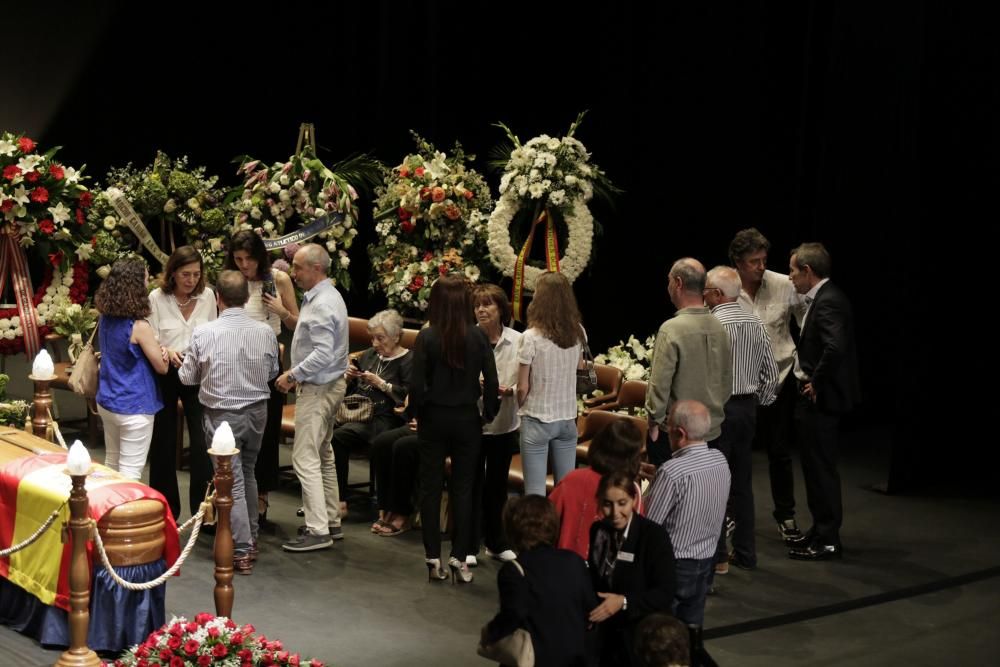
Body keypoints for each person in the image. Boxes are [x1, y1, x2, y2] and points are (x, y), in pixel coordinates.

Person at [178, 270, 279, 574]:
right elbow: (273, 371)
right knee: (246, 473)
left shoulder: (204, 333)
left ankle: (243, 549)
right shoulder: (264, 332)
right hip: (258, 412)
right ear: (247, 298)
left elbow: (187, 377)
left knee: (230, 483)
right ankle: (251, 538)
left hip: (222, 416)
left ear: (218, 298)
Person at [408, 275, 499, 583]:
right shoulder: (478, 336)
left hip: (433, 418)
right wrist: (488, 414)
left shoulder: (428, 336)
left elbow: (416, 384)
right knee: (463, 489)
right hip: (466, 421)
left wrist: (413, 413)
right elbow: (493, 382)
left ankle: (433, 557)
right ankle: (461, 558)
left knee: (431, 487)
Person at [728, 228, 805, 541]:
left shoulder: (783, 285)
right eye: (753, 261)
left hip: (780, 377)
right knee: (734, 452)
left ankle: (785, 515)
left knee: (779, 450)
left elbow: (806, 322)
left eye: (763, 260)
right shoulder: (724, 287)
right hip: (740, 381)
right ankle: (730, 515)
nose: (760, 266)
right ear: (737, 263)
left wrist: (805, 370)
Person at [786, 243, 860, 561]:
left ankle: (828, 538)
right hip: (816, 398)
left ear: (807, 271)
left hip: (822, 399)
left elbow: (835, 346)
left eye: (792, 270)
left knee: (821, 469)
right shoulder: (823, 299)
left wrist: (816, 381)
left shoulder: (829, 302)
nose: (790, 277)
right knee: (814, 468)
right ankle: (819, 530)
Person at [275, 244, 349, 552]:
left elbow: (322, 353)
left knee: (304, 456)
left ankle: (318, 529)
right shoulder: (327, 296)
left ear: (316, 269)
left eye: (299, 268)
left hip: (318, 389)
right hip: (331, 385)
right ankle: (330, 519)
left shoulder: (321, 304)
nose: (294, 273)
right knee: (322, 454)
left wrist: (292, 375)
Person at [704, 266, 779, 572]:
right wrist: (757, 402)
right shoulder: (756, 323)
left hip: (719, 409)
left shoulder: (711, 325)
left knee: (715, 483)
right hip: (747, 410)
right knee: (742, 485)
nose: (704, 296)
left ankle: (719, 556)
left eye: (707, 291)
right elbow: (770, 376)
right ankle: (746, 553)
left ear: (718, 294)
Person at [223, 230, 299, 525]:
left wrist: (281, 310)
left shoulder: (277, 280)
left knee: (265, 436)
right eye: (238, 259)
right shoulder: (230, 280)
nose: (244, 265)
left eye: (249, 259)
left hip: (267, 366)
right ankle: (233, 497)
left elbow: (297, 322)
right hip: (234, 364)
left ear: (260, 257)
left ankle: (262, 498)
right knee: (234, 432)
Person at [482, 495, 597, 667]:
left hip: (536, 658)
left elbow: (513, 613)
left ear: (512, 530)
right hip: (575, 658)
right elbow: (591, 608)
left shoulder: (513, 570)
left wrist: (491, 632)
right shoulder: (574, 561)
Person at [645, 401, 730, 628]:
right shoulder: (720, 461)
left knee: (662, 631)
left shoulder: (672, 472)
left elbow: (650, 526)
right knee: (691, 630)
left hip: (675, 565)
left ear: (680, 433)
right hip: (706, 560)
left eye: (668, 426)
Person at [147, 246, 217, 520]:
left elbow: (213, 332)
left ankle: (202, 511)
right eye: (185, 274)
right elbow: (149, 336)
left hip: (198, 371)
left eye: (196, 275)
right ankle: (165, 509)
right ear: (173, 273)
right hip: (166, 370)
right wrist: (165, 348)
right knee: (163, 440)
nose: (191, 280)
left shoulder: (208, 296)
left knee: (202, 440)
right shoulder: (157, 297)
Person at [645, 259, 732, 466]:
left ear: (678, 283)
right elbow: (727, 380)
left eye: (668, 281)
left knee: (668, 493)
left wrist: (653, 421)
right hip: (711, 431)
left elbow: (660, 383)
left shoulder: (672, 329)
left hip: (676, 434)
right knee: (702, 492)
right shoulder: (719, 327)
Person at [589, 471, 676, 666]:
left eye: (622, 503)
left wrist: (624, 601)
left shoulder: (654, 536)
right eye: (607, 504)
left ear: (634, 500)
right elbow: (596, 576)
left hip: (643, 635)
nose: (614, 513)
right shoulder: (598, 530)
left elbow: (665, 592)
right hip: (608, 634)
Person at [332, 309, 412, 520]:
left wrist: (382, 384)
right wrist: (348, 378)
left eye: (380, 338)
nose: (375, 343)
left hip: (383, 418)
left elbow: (409, 396)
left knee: (338, 438)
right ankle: (323, 497)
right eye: (373, 338)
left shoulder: (408, 360)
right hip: (355, 413)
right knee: (322, 429)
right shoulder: (368, 355)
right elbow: (351, 391)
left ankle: (339, 500)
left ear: (396, 337)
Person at [94, 257, 169, 479]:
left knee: (111, 464)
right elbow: (162, 368)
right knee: (130, 474)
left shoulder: (105, 318)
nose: (149, 284)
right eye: (146, 279)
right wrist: (163, 352)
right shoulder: (140, 327)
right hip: (135, 405)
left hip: (108, 400)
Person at [516, 271, 585, 496]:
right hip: (567, 419)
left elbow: (523, 387)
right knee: (565, 492)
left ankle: (537, 532)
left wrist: (519, 406)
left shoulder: (530, 337)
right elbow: (578, 367)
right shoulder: (579, 332)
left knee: (535, 493)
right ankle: (563, 531)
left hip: (537, 418)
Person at [470, 283, 521, 563]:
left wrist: (510, 389)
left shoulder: (519, 340)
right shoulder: (469, 338)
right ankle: (468, 546)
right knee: (473, 484)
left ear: (501, 308)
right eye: (477, 305)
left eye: (487, 304)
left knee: (497, 486)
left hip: (504, 423)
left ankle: (496, 542)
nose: (481, 310)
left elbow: (526, 379)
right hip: (474, 423)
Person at [549, 418, 645, 560]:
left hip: (563, 568)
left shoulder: (572, 479)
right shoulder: (631, 492)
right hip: (605, 574)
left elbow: (547, 523)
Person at [369, 421, 420, 536]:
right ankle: (385, 508)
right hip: (424, 421)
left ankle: (402, 513)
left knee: (403, 446)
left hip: (445, 427)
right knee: (382, 442)